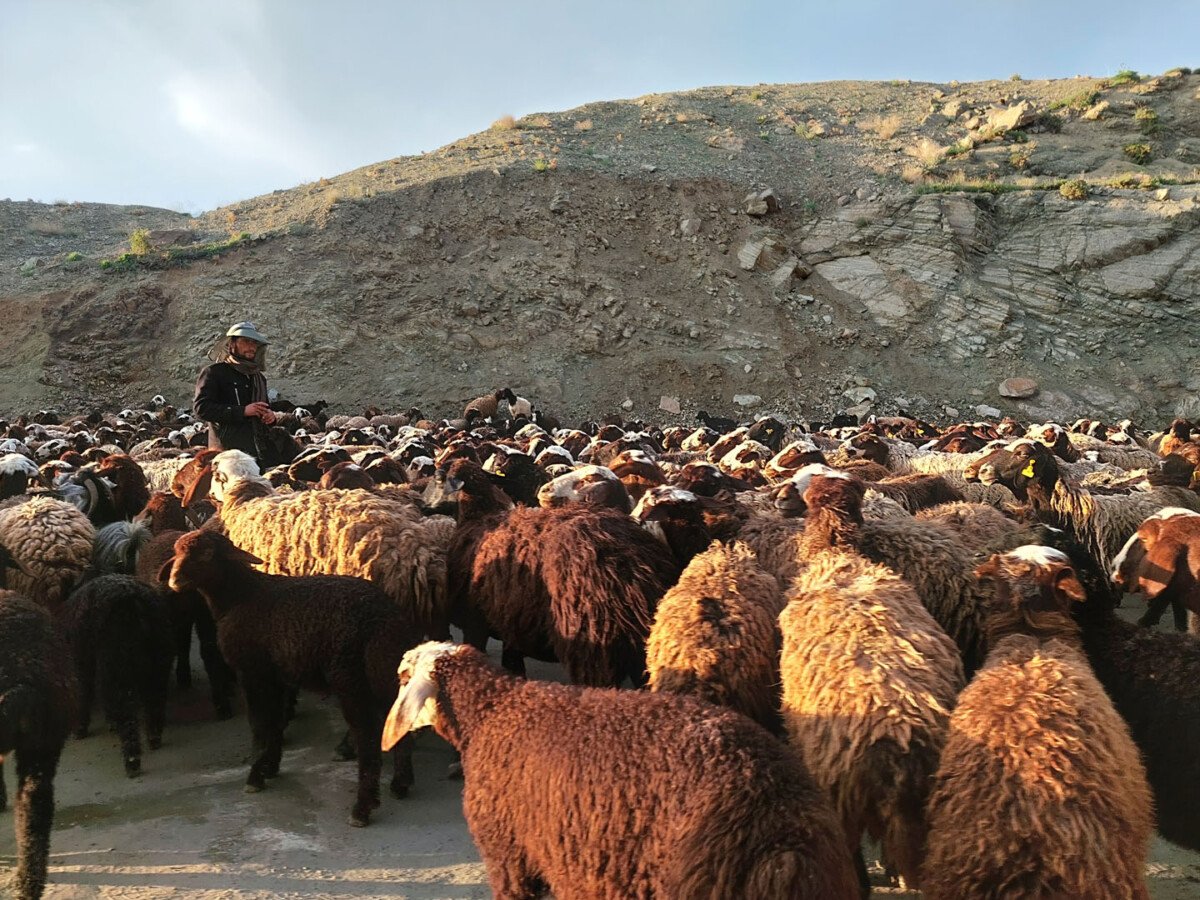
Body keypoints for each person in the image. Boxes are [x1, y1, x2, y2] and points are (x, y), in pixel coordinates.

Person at [193, 321, 279, 466]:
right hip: (227, 454)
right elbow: (201, 408)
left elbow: (263, 407)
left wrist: (269, 417)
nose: (252, 347)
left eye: (255, 343)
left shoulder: (258, 378)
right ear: (232, 344)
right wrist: (243, 411)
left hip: (258, 453)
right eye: (246, 341)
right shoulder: (215, 373)